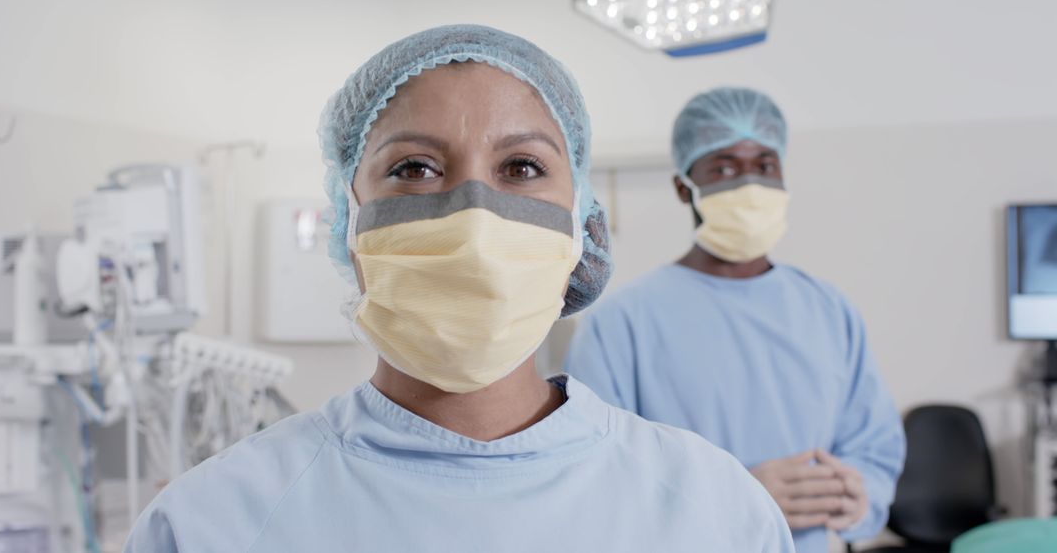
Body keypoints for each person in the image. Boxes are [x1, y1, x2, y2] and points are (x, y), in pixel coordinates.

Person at [123, 28, 794, 552]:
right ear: (346, 221)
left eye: (522, 167)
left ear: (581, 227)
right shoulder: (211, 525)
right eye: (414, 168)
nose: (475, 219)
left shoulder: (715, 512)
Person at [566, 87, 906, 553]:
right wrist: (732, 492)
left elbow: (874, 446)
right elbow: (595, 479)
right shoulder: (622, 322)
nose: (749, 184)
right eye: (724, 168)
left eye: (765, 165)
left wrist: (857, 497)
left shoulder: (828, 309)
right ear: (684, 187)